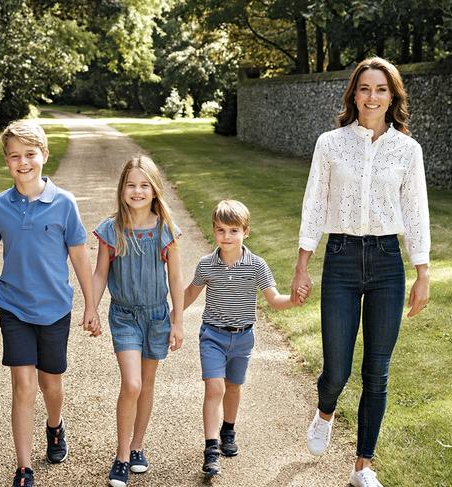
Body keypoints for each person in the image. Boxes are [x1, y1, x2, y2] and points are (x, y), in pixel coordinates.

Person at [0, 120, 100, 487]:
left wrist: (91, 305)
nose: (23, 163)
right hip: (13, 307)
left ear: (44, 155)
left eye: (30, 154)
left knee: (50, 384)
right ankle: (24, 468)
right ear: (7, 161)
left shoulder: (64, 204)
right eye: (15, 157)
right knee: (24, 386)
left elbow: (79, 256)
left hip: (55, 308)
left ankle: (55, 426)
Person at [291, 57, 430, 487]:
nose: (372, 96)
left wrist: (422, 271)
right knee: (337, 368)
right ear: (354, 94)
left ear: (393, 96)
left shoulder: (408, 150)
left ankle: (363, 466)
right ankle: (325, 410)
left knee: (377, 370)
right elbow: (315, 204)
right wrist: (302, 265)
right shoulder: (330, 143)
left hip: (388, 262)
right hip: (342, 259)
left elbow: (416, 212)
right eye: (365, 88)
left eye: (381, 89)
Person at [183, 200, 307, 477]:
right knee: (214, 388)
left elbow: (274, 300)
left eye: (233, 231)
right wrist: (172, 318)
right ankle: (211, 448)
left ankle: (228, 429)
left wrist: (293, 301)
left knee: (233, 387)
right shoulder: (206, 265)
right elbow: (190, 293)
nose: (226, 237)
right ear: (214, 231)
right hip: (212, 336)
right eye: (221, 230)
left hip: (243, 339)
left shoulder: (257, 266)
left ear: (246, 232)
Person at [91, 155, 184, 487]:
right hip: (125, 316)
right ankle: (121, 455)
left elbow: (175, 278)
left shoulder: (165, 230)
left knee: (146, 385)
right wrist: (91, 306)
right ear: (122, 189)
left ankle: (138, 446)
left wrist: (177, 321)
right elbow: (101, 272)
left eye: (144, 185)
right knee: (131, 384)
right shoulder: (111, 230)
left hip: (157, 316)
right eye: (131, 184)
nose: (137, 191)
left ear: (155, 190)